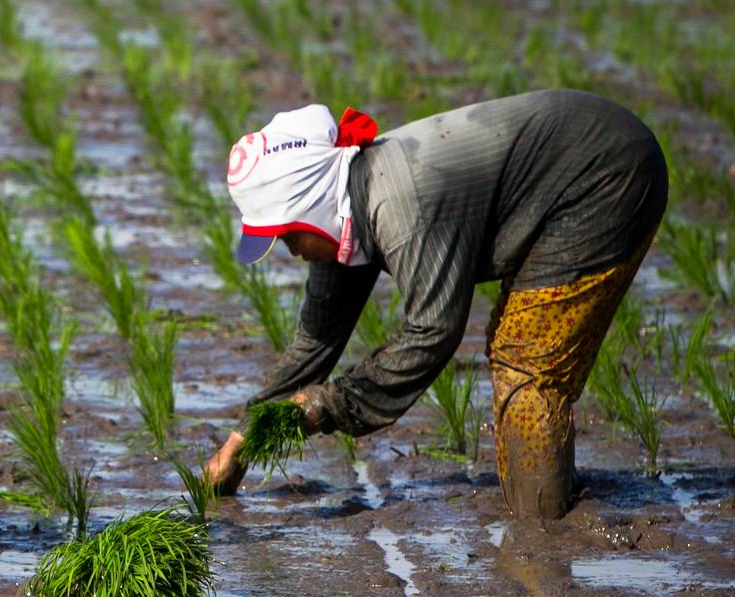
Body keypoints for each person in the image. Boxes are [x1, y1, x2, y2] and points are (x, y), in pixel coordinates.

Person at [204, 89, 666, 519]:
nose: (290, 251)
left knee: (526, 364)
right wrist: (242, 440)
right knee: (518, 356)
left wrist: (328, 405)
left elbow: (434, 332)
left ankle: (543, 533)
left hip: (605, 175)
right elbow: (317, 337)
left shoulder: (400, 208)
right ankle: (548, 507)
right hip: (571, 167)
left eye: (287, 236)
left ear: (313, 210)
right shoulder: (345, 205)